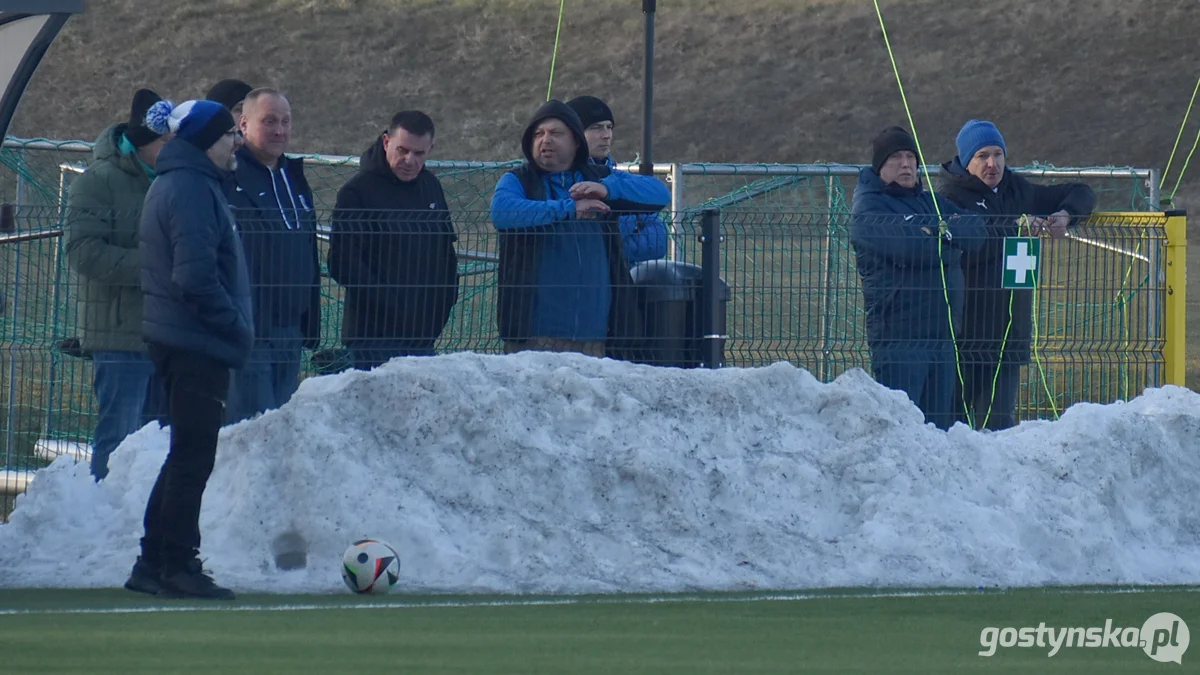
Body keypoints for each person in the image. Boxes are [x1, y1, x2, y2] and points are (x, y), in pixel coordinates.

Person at [126, 100, 253, 600]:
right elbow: (195, 277)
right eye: (229, 134)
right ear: (206, 141)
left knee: (185, 455)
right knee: (192, 458)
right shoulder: (192, 188)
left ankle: (152, 561)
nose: (237, 141)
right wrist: (235, 327)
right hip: (196, 341)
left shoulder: (181, 182)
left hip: (182, 337)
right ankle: (177, 564)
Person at [938, 119, 1096, 430]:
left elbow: (1082, 191)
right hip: (964, 334)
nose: (992, 163)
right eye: (982, 155)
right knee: (953, 428)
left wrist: (1066, 215)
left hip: (1010, 333)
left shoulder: (1017, 190)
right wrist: (1016, 229)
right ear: (966, 160)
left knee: (999, 428)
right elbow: (967, 247)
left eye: (998, 154)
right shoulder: (950, 196)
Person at [490, 100, 670, 358]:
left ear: (576, 142)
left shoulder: (598, 177)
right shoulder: (519, 180)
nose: (546, 140)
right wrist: (568, 209)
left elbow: (659, 193)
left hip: (596, 337)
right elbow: (502, 212)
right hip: (534, 334)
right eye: (539, 134)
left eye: (556, 133)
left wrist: (609, 190)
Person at [64, 88, 173, 481]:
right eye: (166, 140)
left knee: (159, 440)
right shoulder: (98, 181)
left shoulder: (170, 182)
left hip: (166, 334)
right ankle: (104, 517)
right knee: (119, 438)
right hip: (119, 337)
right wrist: (155, 268)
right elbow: (82, 250)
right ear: (143, 141)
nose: (174, 148)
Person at [850, 126, 986, 430]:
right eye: (896, 157)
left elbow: (976, 232)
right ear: (880, 167)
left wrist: (937, 233)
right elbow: (912, 249)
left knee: (938, 432)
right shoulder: (869, 208)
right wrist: (950, 242)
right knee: (902, 431)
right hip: (900, 339)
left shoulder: (928, 201)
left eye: (910, 157)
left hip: (942, 337)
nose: (906, 164)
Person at [328, 111, 459, 370]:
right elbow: (343, 262)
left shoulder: (430, 186)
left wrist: (444, 301)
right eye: (403, 150)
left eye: (419, 153)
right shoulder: (357, 192)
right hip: (373, 339)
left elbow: (445, 251)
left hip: (423, 337)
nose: (409, 160)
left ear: (431, 150)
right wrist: (388, 305)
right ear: (386, 142)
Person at [225, 88, 321, 422]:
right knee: (253, 431)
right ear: (244, 124)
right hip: (250, 331)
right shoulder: (230, 176)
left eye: (285, 121)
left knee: (280, 428)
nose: (279, 130)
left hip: (289, 331)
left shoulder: (293, 178)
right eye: (269, 121)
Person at [566, 95, 668, 265]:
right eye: (596, 128)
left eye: (609, 127)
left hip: (619, 281)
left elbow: (658, 241)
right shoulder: (559, 179)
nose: (606, 135)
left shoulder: (615, 178)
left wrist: (608, 248)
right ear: (573, 134)